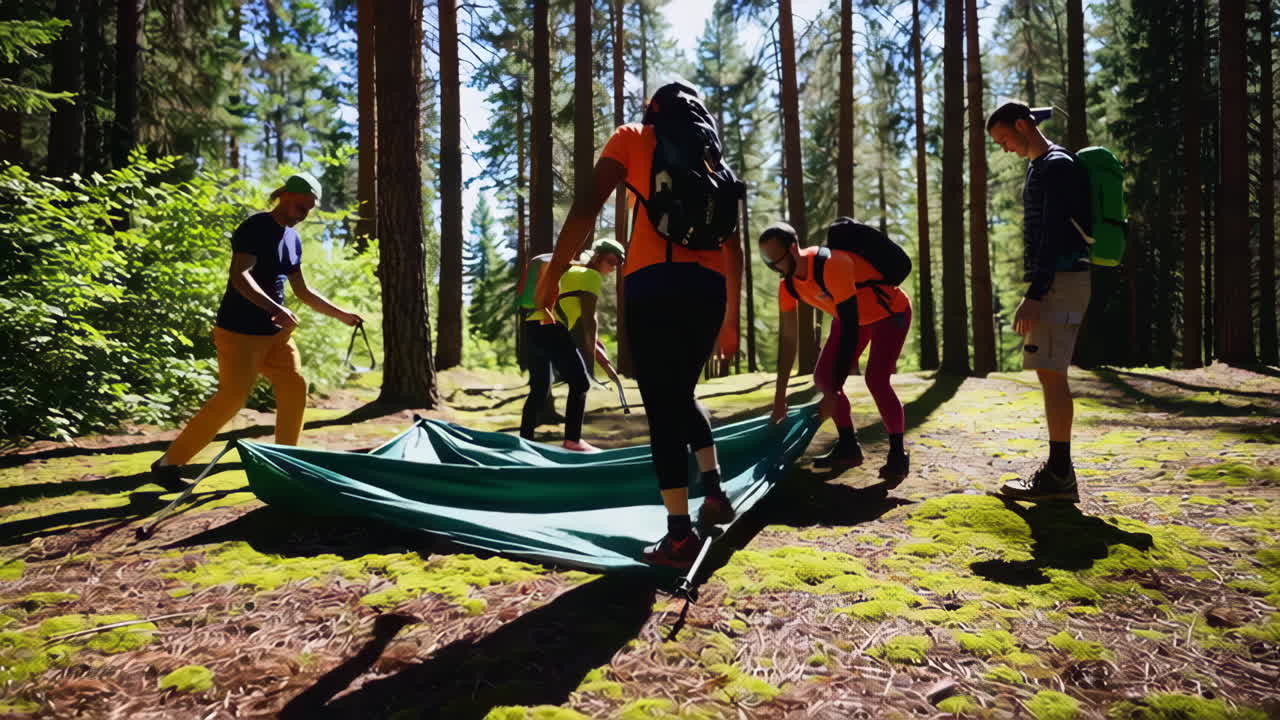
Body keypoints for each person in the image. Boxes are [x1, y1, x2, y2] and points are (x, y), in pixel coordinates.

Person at [534, 81, 743, 569]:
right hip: (708, 291)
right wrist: (730, 319)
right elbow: (731, 245)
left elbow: (586, 207)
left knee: (662, 407)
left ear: (652, 113)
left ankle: (679, 536)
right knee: (682, 393)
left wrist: (554, 273)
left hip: (655, 285)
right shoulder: (713, 162)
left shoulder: (630, 138)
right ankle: (714, 493)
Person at [149, 173, 362, 490]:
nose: (304, 213)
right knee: (232, 399)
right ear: (286, 195)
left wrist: (341, 314)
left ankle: (284, 461)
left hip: (275, 336)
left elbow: (302, 290)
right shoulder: (256, 227)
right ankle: (169, 464)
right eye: (302, 205)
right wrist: (274, 307)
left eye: (309, 209)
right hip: (239, 332)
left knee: (294, 387)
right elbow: (240, 276)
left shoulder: (292, 239)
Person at [987, 101, 1092, 502]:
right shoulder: (1043, 166)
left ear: (1021, 125)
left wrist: (1035, 294)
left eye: (1005, 139)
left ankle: (1060, 477)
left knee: (1051, 372)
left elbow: (1053, 235)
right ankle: (1058, 471)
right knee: (1049, 373)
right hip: (1058, 281)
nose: (1005, 148)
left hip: (1059, 282)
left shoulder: (1055, 166)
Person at [759, 219, 912, 485]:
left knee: (876, 379)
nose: (775, 268)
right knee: (823, 379)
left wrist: (834, 392)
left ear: (793, 248)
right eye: (768, 262)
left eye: (777, 260)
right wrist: (780, 396)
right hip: (850, 316)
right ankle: (849, 447)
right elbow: (788, 340)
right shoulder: (788, 285)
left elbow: (851, 328)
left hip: (889, 313)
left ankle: (898, 454)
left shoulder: (833, 264)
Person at [517, 239, 624, 451]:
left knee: (539, 389)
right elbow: (589, 317)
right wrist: (590, 349)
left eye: (618, 264)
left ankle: (525, 440)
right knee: (581, 383)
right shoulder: (591, 276)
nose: (613, 268)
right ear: (597, 257)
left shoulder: (573, 270)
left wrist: (594, 345)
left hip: (532, 327)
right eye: (611, 261)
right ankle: (572, 440)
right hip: (551, 329)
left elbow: (570, 311)